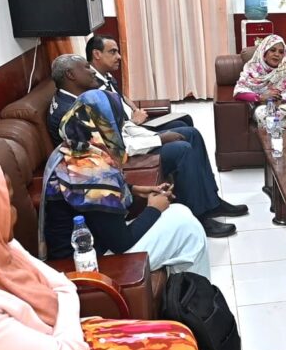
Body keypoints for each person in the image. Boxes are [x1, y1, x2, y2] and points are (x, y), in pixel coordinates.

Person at [0, 157, 203, 350]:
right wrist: (66, 302)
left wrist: (64, 300)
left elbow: (61, 285)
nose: (13, 212)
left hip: (62, 347)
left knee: (179, 334)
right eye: (3, 203)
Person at [47, 54, 244, 238]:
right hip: (109, 162)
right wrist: (158, 139)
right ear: (71, 74)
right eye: (86, 67)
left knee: (190, 133)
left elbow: (119, 129)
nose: (91, 71)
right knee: (182, 149)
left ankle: (212, 201)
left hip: (120, 146)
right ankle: (199, 215)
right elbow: (114, 147)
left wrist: (152, 135)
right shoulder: (69, 112)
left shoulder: (81, 98)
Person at [41, 89, 213, 276]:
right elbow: (121, 242)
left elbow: (91, 201)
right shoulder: (92, 172)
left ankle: (184, 287)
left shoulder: (73, 148)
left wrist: (134, 189)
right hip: (87, 262)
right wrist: (154, 209)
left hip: (96, 243)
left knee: (180, 214)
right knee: (188, 229)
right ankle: (197, 292)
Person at [86, 34, 193, 128]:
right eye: (113, 52)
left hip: (136, 123)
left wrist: (135, 109)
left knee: (185, 119)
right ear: (97, 54)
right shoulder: (92, 87)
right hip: (130, 131)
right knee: (187, 131)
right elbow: (109, 128)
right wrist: (135, 121)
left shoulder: (106, 76)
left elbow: (121, 96)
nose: (119, 57)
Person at [233, 34, 286, 128]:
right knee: (261, 113)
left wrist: (283, 97)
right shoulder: (252, 68)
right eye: (273, 50)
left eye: (281, 52)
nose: (277, 54)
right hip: (266, 108)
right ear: (264, 53)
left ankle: (285, 127)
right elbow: (238, 93)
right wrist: (262, 97)